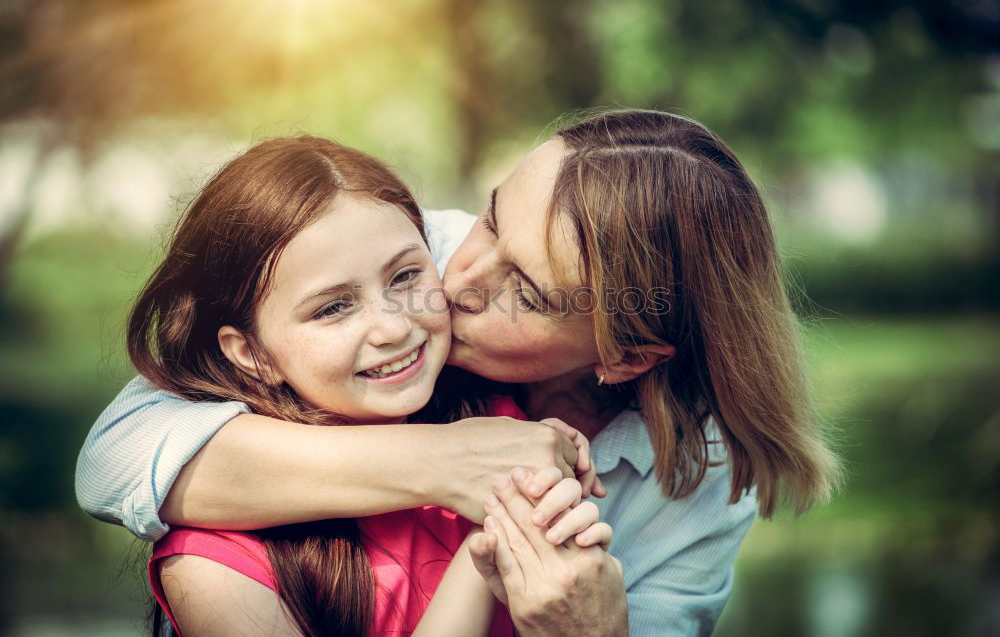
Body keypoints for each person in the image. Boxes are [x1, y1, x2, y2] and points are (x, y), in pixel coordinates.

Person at [78, 110, 839, 634]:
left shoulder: (699, 479)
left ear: (626, 357)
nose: (461, 279)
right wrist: (450, 461)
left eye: (530, 293)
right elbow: (116, 457)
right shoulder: (410, 260)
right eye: (494, 215)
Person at [121, 135, 613, 636]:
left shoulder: (499, 422)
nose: (394, 328)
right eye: (333, 307)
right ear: (253, 354)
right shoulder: (213, 564)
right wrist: (488, 542)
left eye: (404, 277)